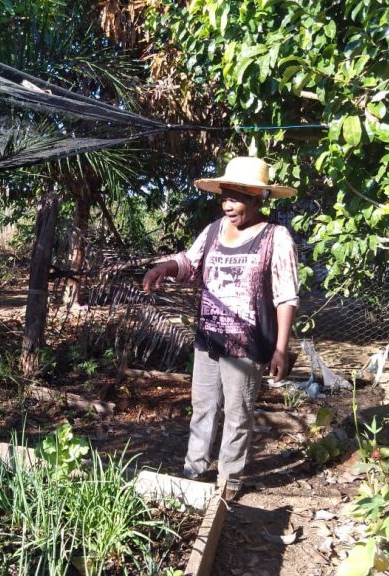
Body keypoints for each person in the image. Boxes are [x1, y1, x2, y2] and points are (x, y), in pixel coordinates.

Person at [142, 156, 299, 498]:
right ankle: (193, 471)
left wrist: (280, 349)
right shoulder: (213, 231)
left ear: (258, 199)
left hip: (247, 345)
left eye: (236, 198)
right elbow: (189, 261)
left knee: (237, 414)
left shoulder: (276, 237)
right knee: (203, 408)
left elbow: (286, 296)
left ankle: (229, 480)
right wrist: (163, 268)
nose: (228, 205)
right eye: (225, 197)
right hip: (209, 339)